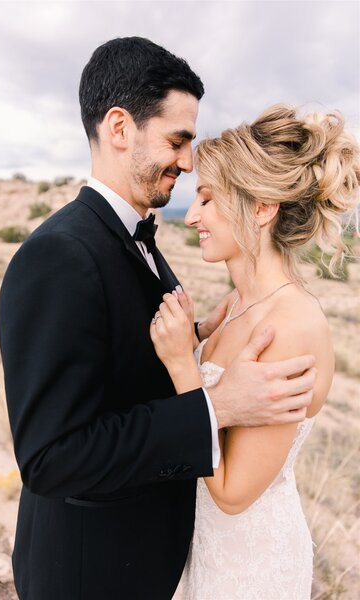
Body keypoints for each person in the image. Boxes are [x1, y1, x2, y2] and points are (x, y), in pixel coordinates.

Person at [0, 39, 316, 600]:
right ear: (119, 128)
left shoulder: (135, 241)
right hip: (87, 575)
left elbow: (113, 358)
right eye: (178, 140)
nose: (188, 161)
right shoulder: (61, 255)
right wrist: (217, 405)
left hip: (150, 563)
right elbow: (51, 458)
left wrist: (194, 340)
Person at [150, 104, 359, 600]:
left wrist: (183, 362)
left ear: (262, 208)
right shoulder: (240, 305)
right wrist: (196, 339)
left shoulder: (291, 326)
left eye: (207, 199)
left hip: (250, 567)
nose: (192, 216)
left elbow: (232, 492)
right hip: (207, 550)